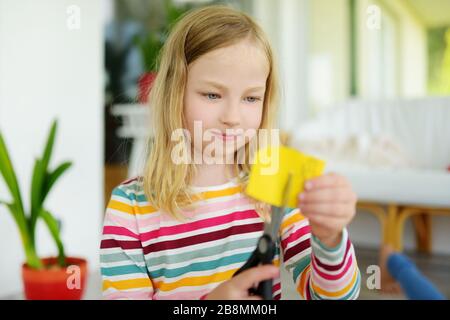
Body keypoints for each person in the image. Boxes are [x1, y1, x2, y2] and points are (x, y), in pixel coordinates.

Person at [100, 5, 361, 300]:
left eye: (251, 98)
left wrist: (330, 240)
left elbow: (333, 298)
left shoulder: (275, 190)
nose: (232, 117)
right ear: (174, 94)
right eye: (212, 94)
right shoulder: (130, 207)